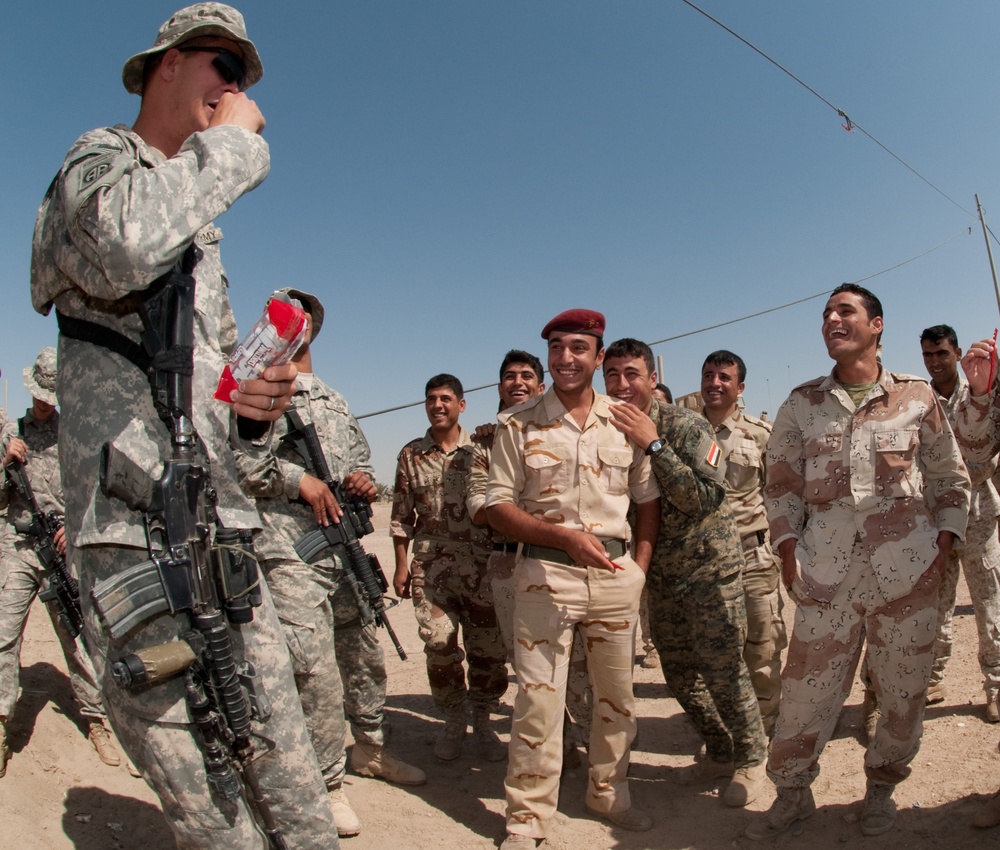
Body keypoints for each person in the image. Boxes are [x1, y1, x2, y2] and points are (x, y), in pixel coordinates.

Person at [29, 5, 339, 846]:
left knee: (292, 778)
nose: (236, 90)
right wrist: (237, 144)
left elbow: (223, 397)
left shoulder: (198, 237)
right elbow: (124, 245)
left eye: (243, 79)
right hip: (136, 540)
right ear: (165, 65)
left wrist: (252, 413)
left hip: (223, 533)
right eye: (222, 67)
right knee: (214, 811)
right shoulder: (98, 166)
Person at [745, 284, 970, 840]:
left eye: (844, 311)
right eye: (826, 313)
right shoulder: (801, 404)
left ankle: (881, 790)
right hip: (825, 574)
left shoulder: (917, 398)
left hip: (908, 574)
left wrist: (944, 543)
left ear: (877, 325)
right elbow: (781, 490)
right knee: (805, 696)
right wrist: (788, 550)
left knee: (901, 693)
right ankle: (792, 795)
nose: (831, 319)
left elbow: (949, 478)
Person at [236, 289, 425, 838]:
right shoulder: (253, 384)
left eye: (306, 317)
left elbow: (359, 459)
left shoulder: (335, 398)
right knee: (313, 667)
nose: (300, 326)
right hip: (287, 549)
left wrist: (361, 479)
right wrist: (301, 481)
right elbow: (240, 463)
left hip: (340, 546)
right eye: (287, 317)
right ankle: (328, 782)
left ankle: (370, 747)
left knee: (363, 650)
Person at [485, 310, 661, 847]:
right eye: (557, 348)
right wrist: (561, 537)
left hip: (614, 576)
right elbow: (496, 506)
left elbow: (646, 503)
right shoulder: (517, 423)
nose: (566, 358)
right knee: (538, 700)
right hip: (544, 574)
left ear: (598, 357)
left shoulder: (625, 420)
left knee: (617, 698)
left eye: (578, 348)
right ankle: (528, 818)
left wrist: (638, 570)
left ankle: (608, 793)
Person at [604, 338, 767, 808]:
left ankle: (752, 760)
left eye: (631, 373)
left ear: (652, 379)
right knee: (679, 674)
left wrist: (653, 444)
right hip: (658, 575)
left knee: (724, 670)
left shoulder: (687, 426)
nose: (621, 384)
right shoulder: (603, 428)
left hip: (708, 569)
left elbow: (703, 499)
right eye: (612, 374)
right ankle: (719, 751)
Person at [0, 349, 123, 778]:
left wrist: (74, 529)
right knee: (4, 632)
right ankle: (0, 724)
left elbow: (92, 493)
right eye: (38, 395)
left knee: (78, 633)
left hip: (61, 550)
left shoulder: (73, 435)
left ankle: (96, 720)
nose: (43, 403)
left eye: (50, 396)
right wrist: (3, 463)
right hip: (18, 545)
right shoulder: (12, 435)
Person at [466, 351, 592, 765]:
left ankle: (578, 738)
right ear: (499, 386)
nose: (517, 383)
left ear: (541, 386)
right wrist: (524, 508)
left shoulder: (560, 434)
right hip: (509, 564)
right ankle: (544, 750)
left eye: (526, 376)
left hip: (560, 561)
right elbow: (483, 510)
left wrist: (516, 506)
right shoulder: (485, 444)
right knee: (529, 663)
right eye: (508, 377)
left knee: (575, 660)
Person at [391, 374, 508, 763]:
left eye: (445, 399)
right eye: (430, 399)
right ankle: (454, 721)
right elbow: (401, 517)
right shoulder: (411, 454)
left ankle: (485, 722)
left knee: (488, 650)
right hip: (432, 568)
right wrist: (401, 565)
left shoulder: (481, 446)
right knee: (439, 645)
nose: (437, 405)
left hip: (482, 567)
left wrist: (495, 437)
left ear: (462, 404)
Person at [700, 350, 787, 735]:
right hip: (702, 563)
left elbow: (780, 494)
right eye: (708, 375)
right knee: (714, 654)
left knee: (763, 647)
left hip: (752, 557)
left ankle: (766, 726)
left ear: (740, 387)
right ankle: (727, 733)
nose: (714, 383)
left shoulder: (760, 434)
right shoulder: (685, 430)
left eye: (724, 377)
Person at [917, 325, 1000, 719]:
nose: (934, 363)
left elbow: (986, 448)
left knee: (989, 602)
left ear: (957, 352)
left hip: (979, 512)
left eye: (941, 354)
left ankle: (997, 684)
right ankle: (932, 679)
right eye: (928, 356)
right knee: (937, 603)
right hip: (936, 519)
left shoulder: (983, 392)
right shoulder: (919, 401)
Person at [948, 334, 1000, 828]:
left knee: (991, 610)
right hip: (954, 521)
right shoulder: (973, 395)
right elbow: (978, 457)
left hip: (982, 521)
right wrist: (981, 394)